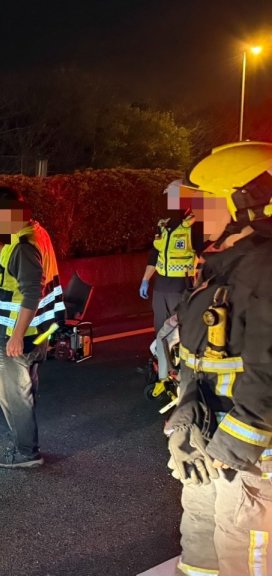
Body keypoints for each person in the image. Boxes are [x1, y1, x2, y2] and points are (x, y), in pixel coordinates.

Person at [161, 142, 272, 576]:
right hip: (212, 446)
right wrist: (185, 418)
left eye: (205, 203)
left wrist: (234, 447)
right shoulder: (225, 266)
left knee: (241, 557)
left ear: (246, 204)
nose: (195, 216)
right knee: (200, 553)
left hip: (251, 461)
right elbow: (205, 360)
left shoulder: (265, 269)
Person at [0, 186, 64, 469]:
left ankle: (26, 452)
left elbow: (31, 292)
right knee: (25, 391)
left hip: (19, 335)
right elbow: (7, 253)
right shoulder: (32, 233)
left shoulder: (24, 246)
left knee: (14, 396)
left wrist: (16, 336)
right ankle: (25, 444)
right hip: (36, 332)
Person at [139, 180, 205, 335]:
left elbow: (202, 256)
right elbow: (155, 254)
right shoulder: (162, 225)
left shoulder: (195, 225)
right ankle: (160, 350)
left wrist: (199, 284)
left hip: (182, 285)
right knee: (161, 328)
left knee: (180, 328)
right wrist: (145, 279)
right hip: (161, 285)